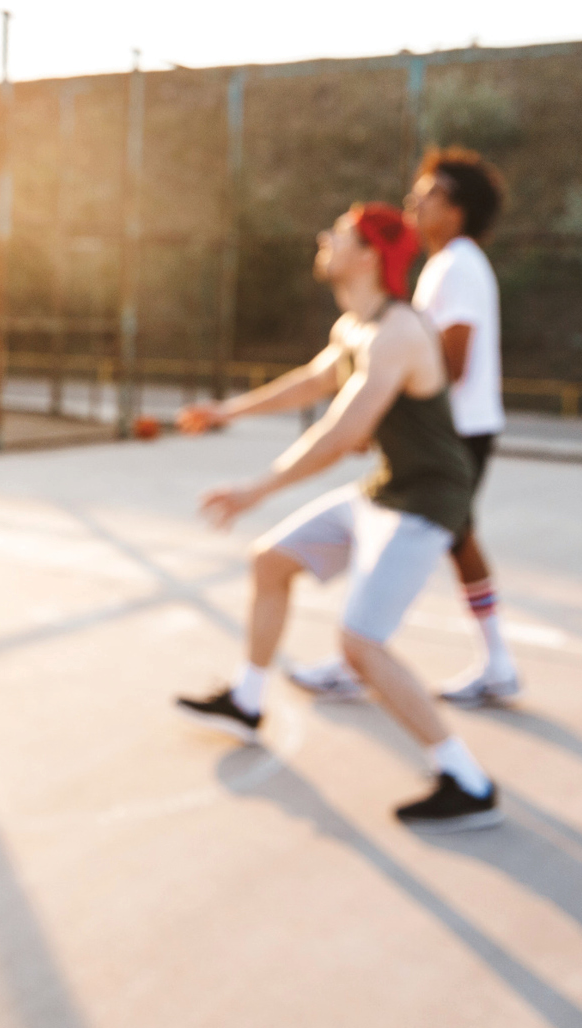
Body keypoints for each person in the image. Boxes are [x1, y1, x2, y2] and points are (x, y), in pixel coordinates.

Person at [175, 203, 503, 831]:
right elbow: (310, 383)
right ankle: (246, 701)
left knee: (360, 645)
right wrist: (227, 411)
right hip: (386, 490)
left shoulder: (399, 333)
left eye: (341, 236)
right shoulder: (356, 324)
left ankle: (466, 779)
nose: (325, 239)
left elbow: (341, 433)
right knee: (270, 561)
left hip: (429, 500)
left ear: (371, 254)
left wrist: (256, 488)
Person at [286, 149, 519, 706]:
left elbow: (451, 360)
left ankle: (364, 655)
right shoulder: (448, 264)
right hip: (458, 428)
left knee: (403, 530)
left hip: (455, 431)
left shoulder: (457, 265)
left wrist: (382, 407)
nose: (416, 200)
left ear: (457, 210)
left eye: (430, 193)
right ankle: (486, 662)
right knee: (442, 535)